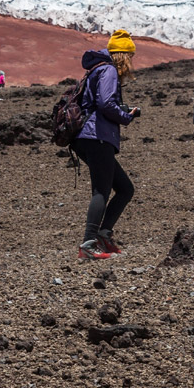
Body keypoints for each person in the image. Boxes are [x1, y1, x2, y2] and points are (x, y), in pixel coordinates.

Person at [74, 29, 141, 261]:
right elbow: (105, 103)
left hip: (89, 136)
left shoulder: (97, 68)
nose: (131, 63)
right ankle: (89, 244)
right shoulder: (109, 69)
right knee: (101, 190)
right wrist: (126, 116)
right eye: (130, 57)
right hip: (97, 136)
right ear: (123, 55)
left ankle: (103, 234)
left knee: (125, 189)